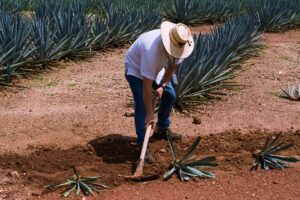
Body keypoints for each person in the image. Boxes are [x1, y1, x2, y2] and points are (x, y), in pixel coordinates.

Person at [124, 21, 195, 162]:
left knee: (170, 95)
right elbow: (146, 87)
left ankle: (162, 128)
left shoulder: (180, 44)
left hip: (156, 69)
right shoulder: (151, 49)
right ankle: (141, 143)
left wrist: (162, 86)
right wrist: (150, 113)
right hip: (136, 69)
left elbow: (171, 68)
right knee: (142, 106)